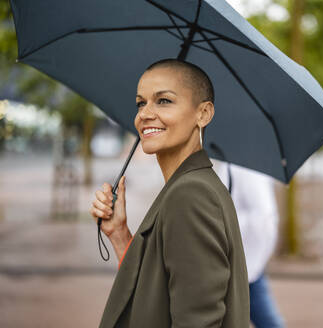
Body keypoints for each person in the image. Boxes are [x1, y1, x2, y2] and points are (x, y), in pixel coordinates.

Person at [89, 58, 250, 328]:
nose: (145, 114)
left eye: (163, 101)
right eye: (141, 103)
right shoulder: (190, 185)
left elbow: (198, 321)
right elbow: (155, 293)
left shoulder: (191, 194)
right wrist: (119, 234)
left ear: (203, 114)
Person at [212, 161, 285, 328]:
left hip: (241, 262)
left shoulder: (245, 167)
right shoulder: (235, 164)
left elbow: (263, 217)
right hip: (242, 261)